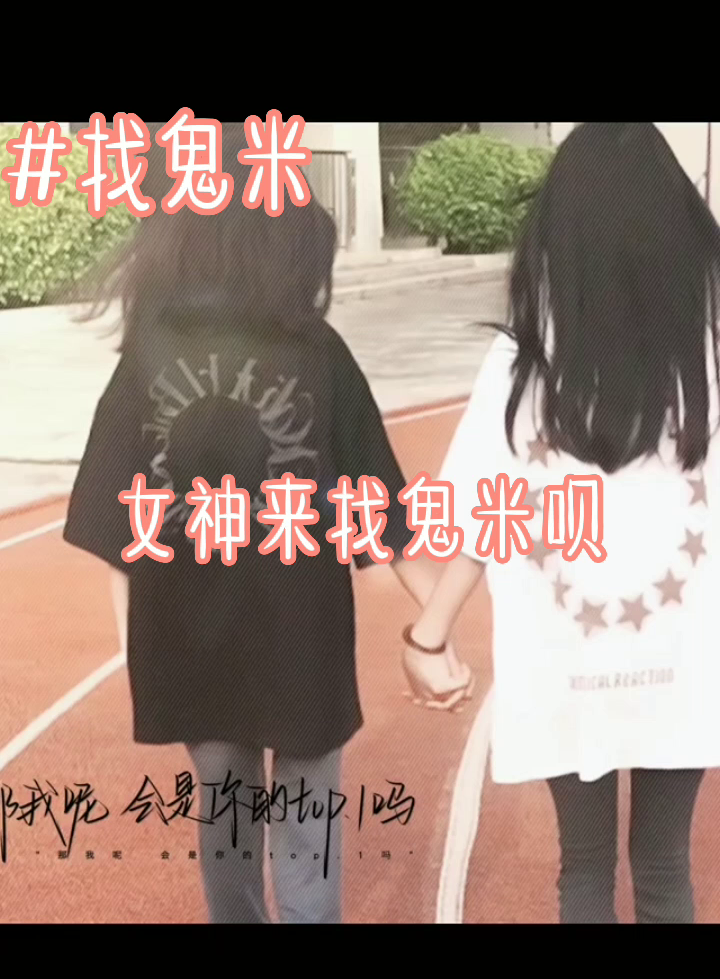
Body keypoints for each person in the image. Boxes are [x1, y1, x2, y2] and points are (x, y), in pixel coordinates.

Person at [63, 135, 470, 925]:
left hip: (190, 642)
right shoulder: (317, 352)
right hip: (302, 640)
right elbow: (380, 510)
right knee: (308, 838)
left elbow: (114, 517)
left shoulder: (149, 353)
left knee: (227, 828)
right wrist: (436, 627)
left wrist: (134, 643)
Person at [403, 122, 720, 925]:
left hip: (564, 655)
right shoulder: (709, 358)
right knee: (664, 868)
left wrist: (429, 636)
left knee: (583, 869)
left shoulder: (522, 366)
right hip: (681, 656)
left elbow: (485, 514)